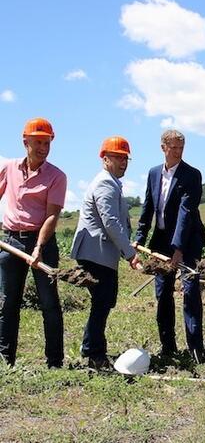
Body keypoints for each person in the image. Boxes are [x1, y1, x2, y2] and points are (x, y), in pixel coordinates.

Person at [134, 130, 205, 359]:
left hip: (188, 240)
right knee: (162, 293)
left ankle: (195, 347)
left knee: (191, 291)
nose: (177, 152)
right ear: (163, 147)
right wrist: (139, 239)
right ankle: (168, 346)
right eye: (173, 148)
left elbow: (186, 212)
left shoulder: (191, 175)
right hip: (161, 240)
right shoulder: (154, 173)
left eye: (181, 148)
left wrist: (178, 248)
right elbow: (148, 207)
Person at [0, 118, 66, 367]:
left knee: (49, 304)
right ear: (25, 141)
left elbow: (52, 215)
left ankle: (55, 361)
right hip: (11, 241)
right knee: (8, 303)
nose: (43, 147)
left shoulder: (56, 176)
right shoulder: (9, 168)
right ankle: (6, 361)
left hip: (43, 242)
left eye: (47, 142)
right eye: (38, 142)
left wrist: (38, 248)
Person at [70, 136, 141, 369]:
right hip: (95, 252)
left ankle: (92, 347)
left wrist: (128, 245)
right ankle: (94, 353)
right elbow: (110, 221)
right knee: (102, 302)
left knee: (104, 301)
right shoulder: (105, 183)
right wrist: (129, 253)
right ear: (105, 158)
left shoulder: (111, 182)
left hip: (100, 252)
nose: (123, 163)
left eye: (125, 158)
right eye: (118, 158)